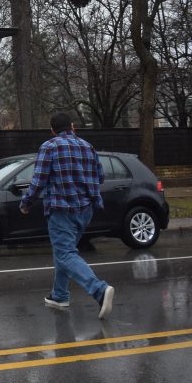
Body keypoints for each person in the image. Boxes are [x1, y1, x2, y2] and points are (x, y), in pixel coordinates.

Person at [20, 112, 115, 319]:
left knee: (65, 253)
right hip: (86, 210)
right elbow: (100, 177)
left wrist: (26, 203)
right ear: (73, 127)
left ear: (52, 130)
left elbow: (38, 182)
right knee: (64, 251)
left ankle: (99, 290)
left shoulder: (49, 147)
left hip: (62, 210)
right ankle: (59, 294)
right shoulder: (87, 146)